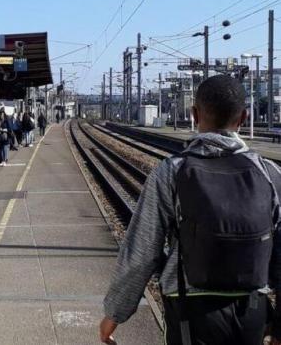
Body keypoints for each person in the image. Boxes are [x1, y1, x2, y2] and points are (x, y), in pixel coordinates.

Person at [99, 75, 281, 345]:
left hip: (189, 311)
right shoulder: (270, 173)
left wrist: (114, 314)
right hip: (252, 309)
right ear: (244, 117)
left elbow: (142, 251)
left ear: (195, 115)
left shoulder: (171, 171)